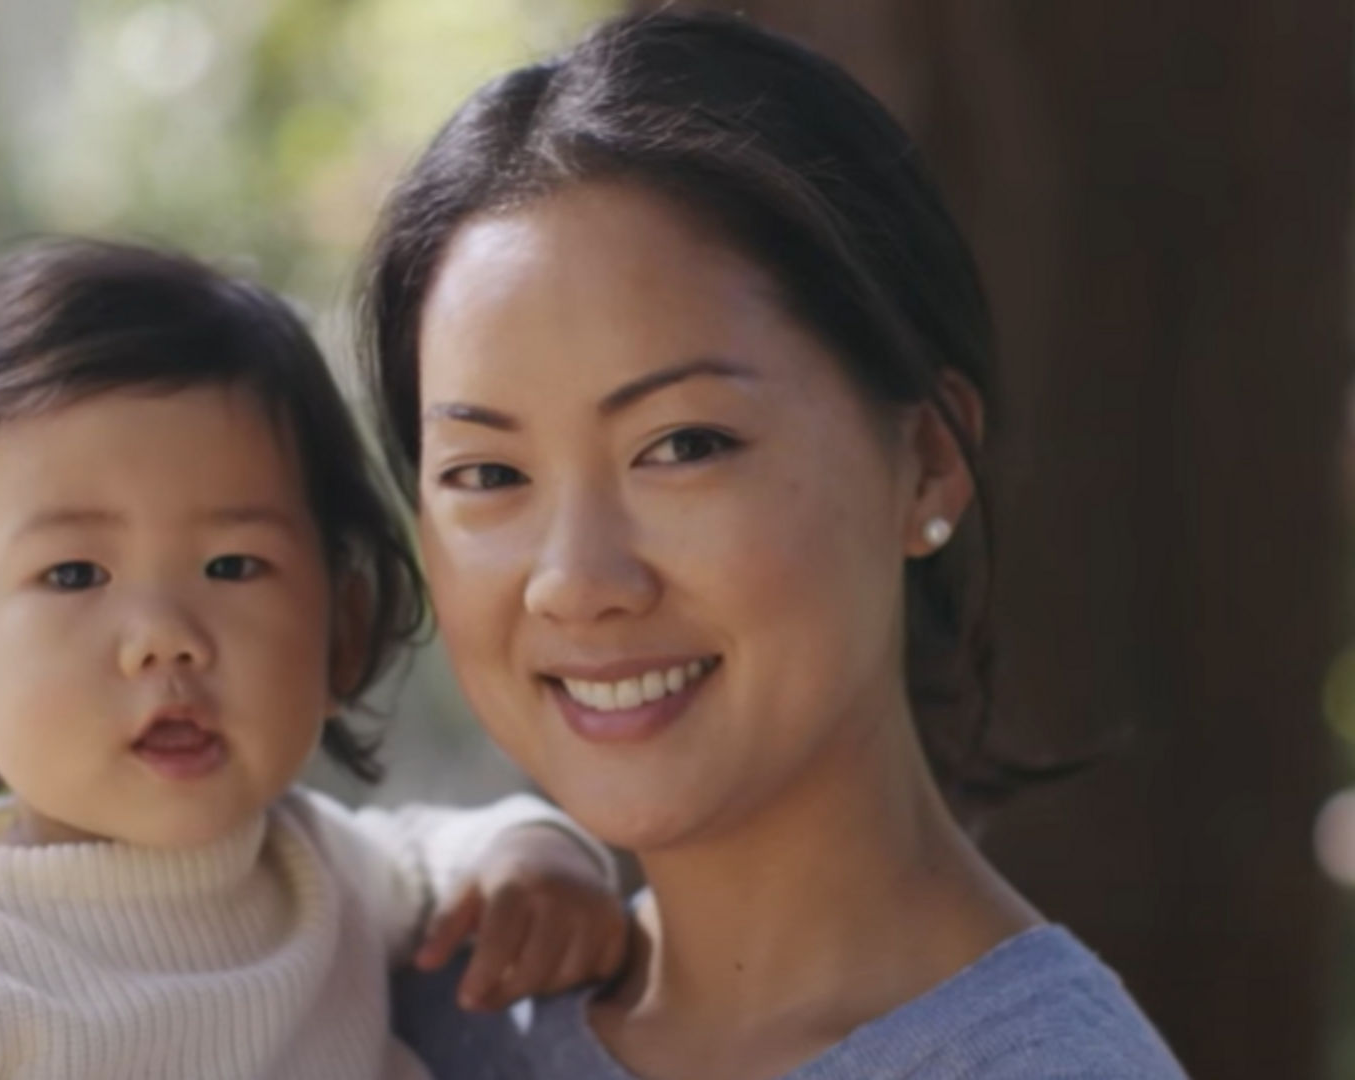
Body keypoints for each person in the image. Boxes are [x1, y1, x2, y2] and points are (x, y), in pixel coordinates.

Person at [362, 12, 1188, 1079]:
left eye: (683, 445)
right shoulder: (400, 1012)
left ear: (930, 459)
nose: (576, 580)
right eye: (488, 474)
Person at [0, 238, 627, 1079]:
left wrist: (536, 858)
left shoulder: (320, 872)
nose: (164, 636)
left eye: (233, 567)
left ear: (342, 630)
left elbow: (440, 849)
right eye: (73, 574)